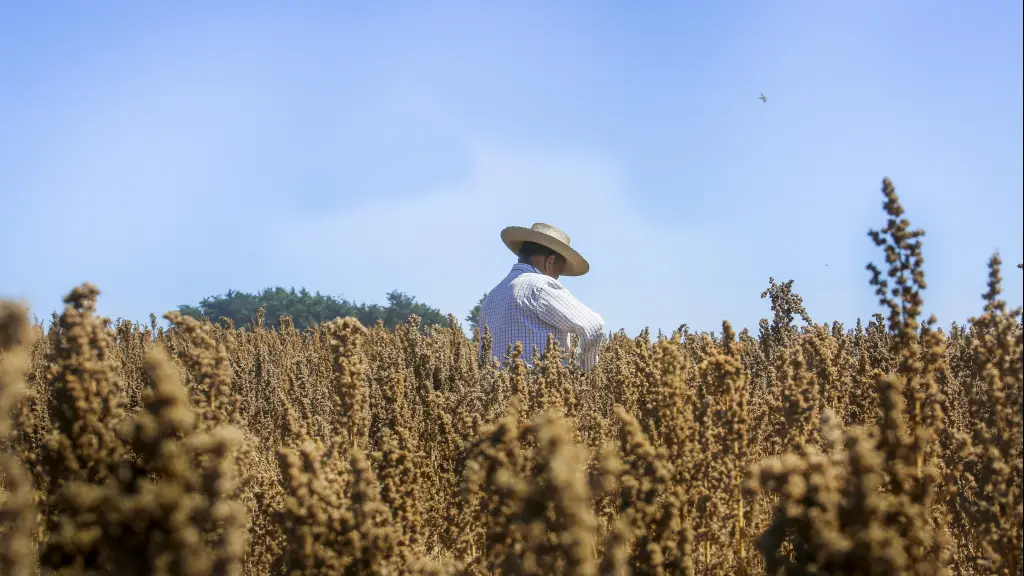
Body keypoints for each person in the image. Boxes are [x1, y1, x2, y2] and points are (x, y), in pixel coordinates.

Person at [478, 222, 606, 371]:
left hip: (496, 392)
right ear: (550, 261)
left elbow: (483, 356)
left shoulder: (492, 297)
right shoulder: (541, 286)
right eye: (559, 271)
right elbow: (594, 326)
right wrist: (586, 373)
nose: (557, 277)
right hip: (542, 391)